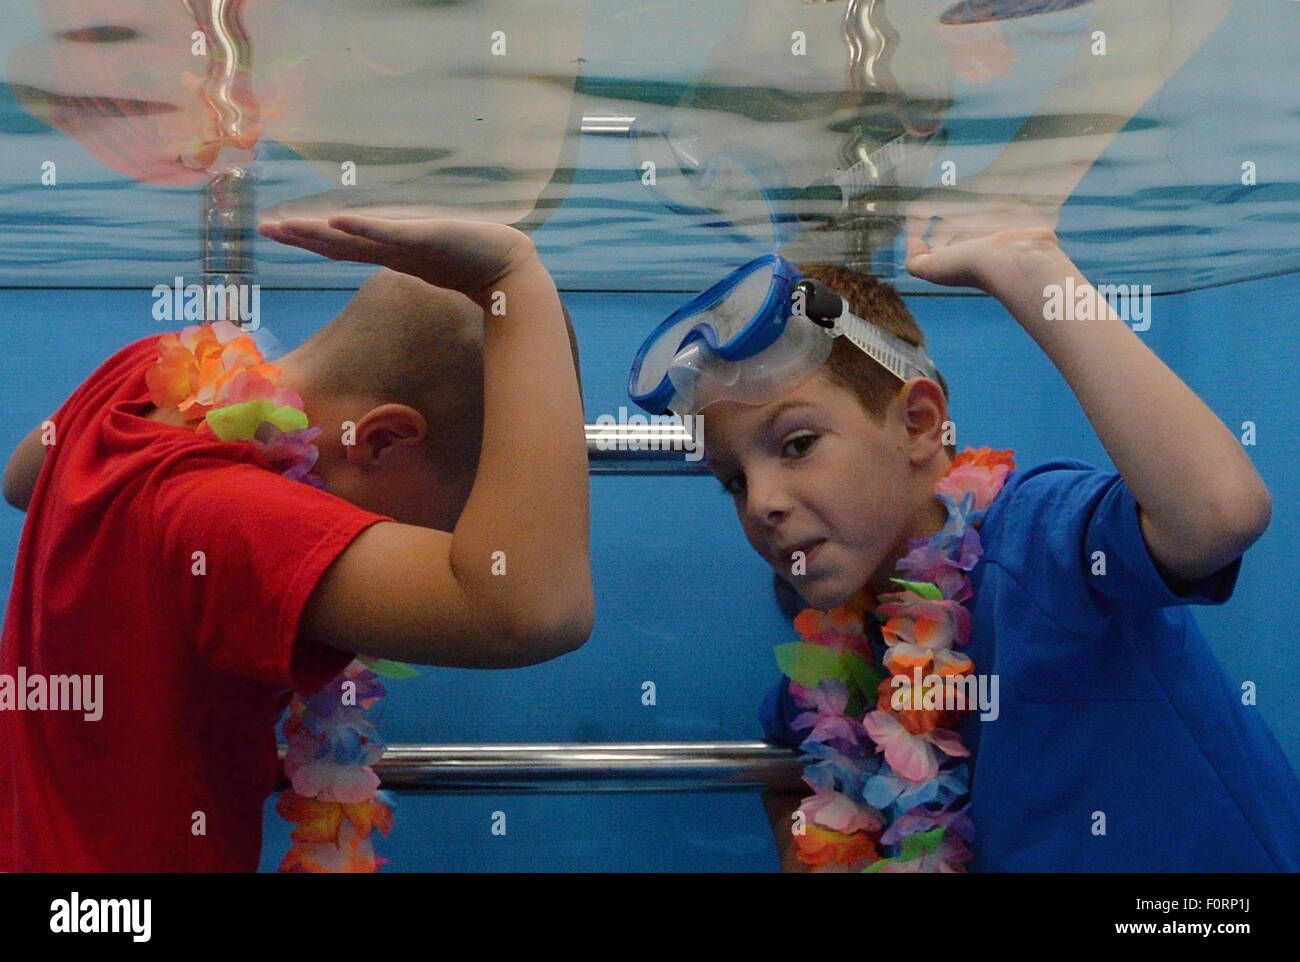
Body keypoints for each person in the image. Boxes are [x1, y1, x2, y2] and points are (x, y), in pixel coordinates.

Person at [626, 226, 1300, 871]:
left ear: (919, 425)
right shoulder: (825, 683)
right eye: (734, 481)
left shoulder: (1040, 540)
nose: (762, 503)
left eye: (798, 445)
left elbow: (1221, 513)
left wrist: (1032, 272)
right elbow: (795, 786)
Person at [0, 215, 594, 871]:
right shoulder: (234, 516)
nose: (441, 542)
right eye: (451, 522)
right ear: (382, 440)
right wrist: (517, 278)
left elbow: (25, 475)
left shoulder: (147, 374)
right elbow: (531, 614)